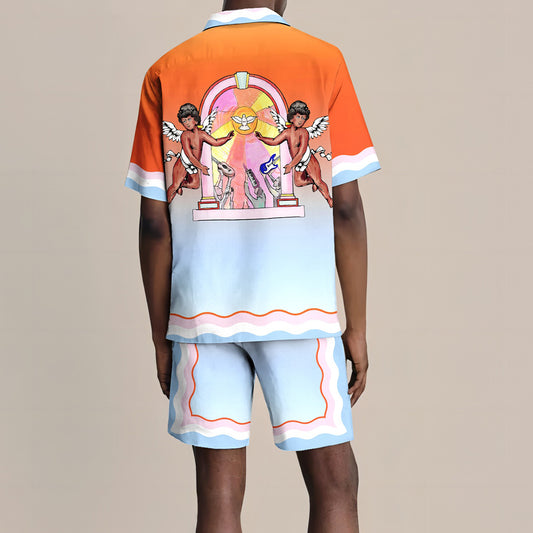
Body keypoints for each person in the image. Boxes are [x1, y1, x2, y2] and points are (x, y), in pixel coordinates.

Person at [123, 1, 382, 531]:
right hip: (300, 311)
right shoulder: (323, 60)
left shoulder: (167, 70)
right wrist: (356, 326)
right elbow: (347, 209)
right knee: (335, 483)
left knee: (217, 495)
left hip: (200, 314)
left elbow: (153, 224)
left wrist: (161, 335)